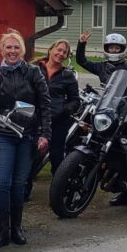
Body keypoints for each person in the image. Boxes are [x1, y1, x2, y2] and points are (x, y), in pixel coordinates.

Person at [0, 30, 51, 249]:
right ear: (1, 50)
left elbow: (45, 105)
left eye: (16, 47)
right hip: (3, 135)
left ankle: (16, 228)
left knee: (19, 184)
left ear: (22, 50)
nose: (12, 51)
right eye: (8, 47)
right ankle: (2, 231)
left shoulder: (33, 73)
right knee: (2, 182)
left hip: (27, 135)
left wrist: (45, 134)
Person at [77, 31, 127, 207]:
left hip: (123, 113)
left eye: (117, 47)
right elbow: (82, 61)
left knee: (124, 150)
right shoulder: (102, 67)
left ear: (122, 49)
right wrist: (81, 44)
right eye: (111, 47)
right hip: (105, 110)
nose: (113, 49)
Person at [34, 40, 81, 173]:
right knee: (31, 156)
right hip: (35, 119)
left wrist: (63, 110)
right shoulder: (35, 69)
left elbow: (75, 101)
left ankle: (59, 189)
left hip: (57, 122)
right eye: (58, 49)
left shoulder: (68, 76)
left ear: (66, 56)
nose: (60, 53)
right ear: (50, 50)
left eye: (64, 52)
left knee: (56, 157)